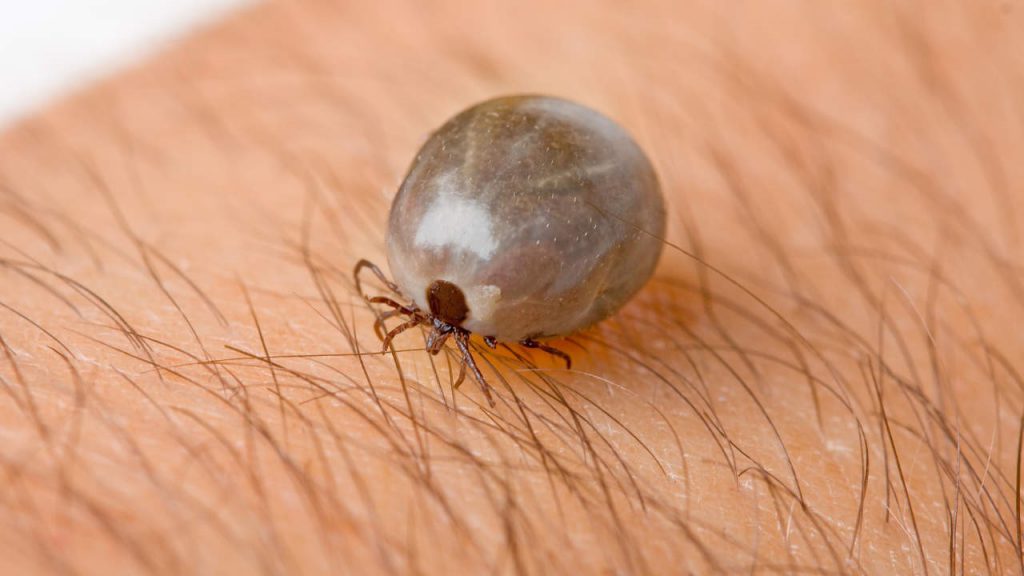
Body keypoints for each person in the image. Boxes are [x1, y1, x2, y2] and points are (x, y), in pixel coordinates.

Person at [0, 1, 1020, 573]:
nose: (437, 328)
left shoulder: (439, 270)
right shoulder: (442, 281)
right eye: (442, 315)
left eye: (441, 317)